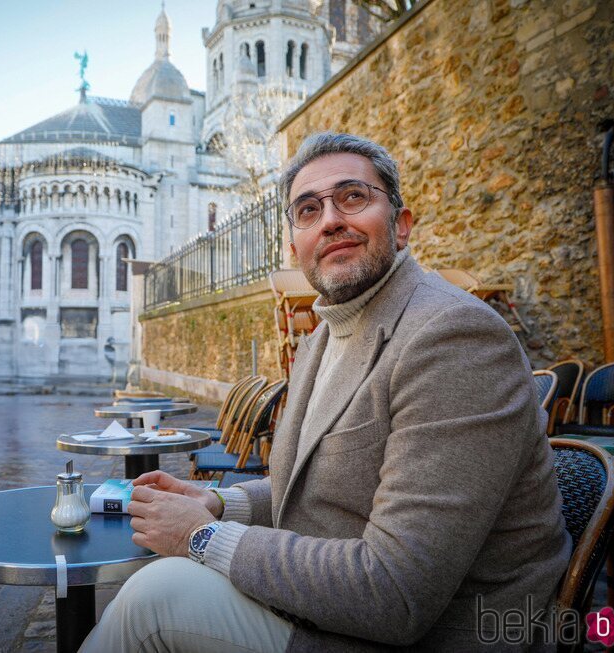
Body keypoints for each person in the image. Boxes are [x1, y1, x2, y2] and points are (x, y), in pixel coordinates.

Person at [80, 132, 571, 652]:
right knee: (125, 575)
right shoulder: (320, 340)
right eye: (308, 209)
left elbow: (397, 593)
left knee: (156, 596)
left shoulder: (454, 337)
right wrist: (220, 504)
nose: (331, 219)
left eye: (353, 197)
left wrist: (201, 537)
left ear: (401, 226)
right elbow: (322, 489)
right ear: (296, 249)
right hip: (335, 608)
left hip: (437, 634)